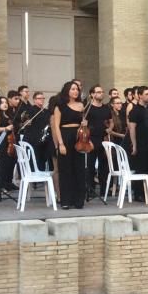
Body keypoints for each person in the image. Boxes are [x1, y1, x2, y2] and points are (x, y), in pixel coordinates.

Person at [50, 81, 87, 209]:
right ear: (67, 91)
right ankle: (65, 200)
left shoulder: (81, 105)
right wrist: (60, 144)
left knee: (79, 168)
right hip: (65, 136)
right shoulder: (59, 106)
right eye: (72, 89)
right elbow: (56, 126)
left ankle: (78, 200)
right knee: (65, 169)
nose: (75, 91)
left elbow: (82, 121)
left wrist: (84, 124)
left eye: (77, 89)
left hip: (78, 137)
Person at [84, 84, 111, 198]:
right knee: (90, 166)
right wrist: (87, 140)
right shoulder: (88, 108)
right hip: (92, 139)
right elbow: (83, 125)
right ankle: (90, 189)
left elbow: (110, 121)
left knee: (104, 166)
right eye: (98, 92)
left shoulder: (106, 107)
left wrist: (110, 128)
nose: (101, 94)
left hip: (103, 138)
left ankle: (104, 190)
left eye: (102, 92)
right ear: (92, 94)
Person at [0, 95, 18, 193]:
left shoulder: (7, 115)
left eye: (6, 102)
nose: (5, 104)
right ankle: (0, 185)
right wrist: (5, 128)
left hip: (9, 141)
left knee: (12, 160)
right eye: (2, 103)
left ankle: (8, 183)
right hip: (0, 141)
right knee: (4, 162)